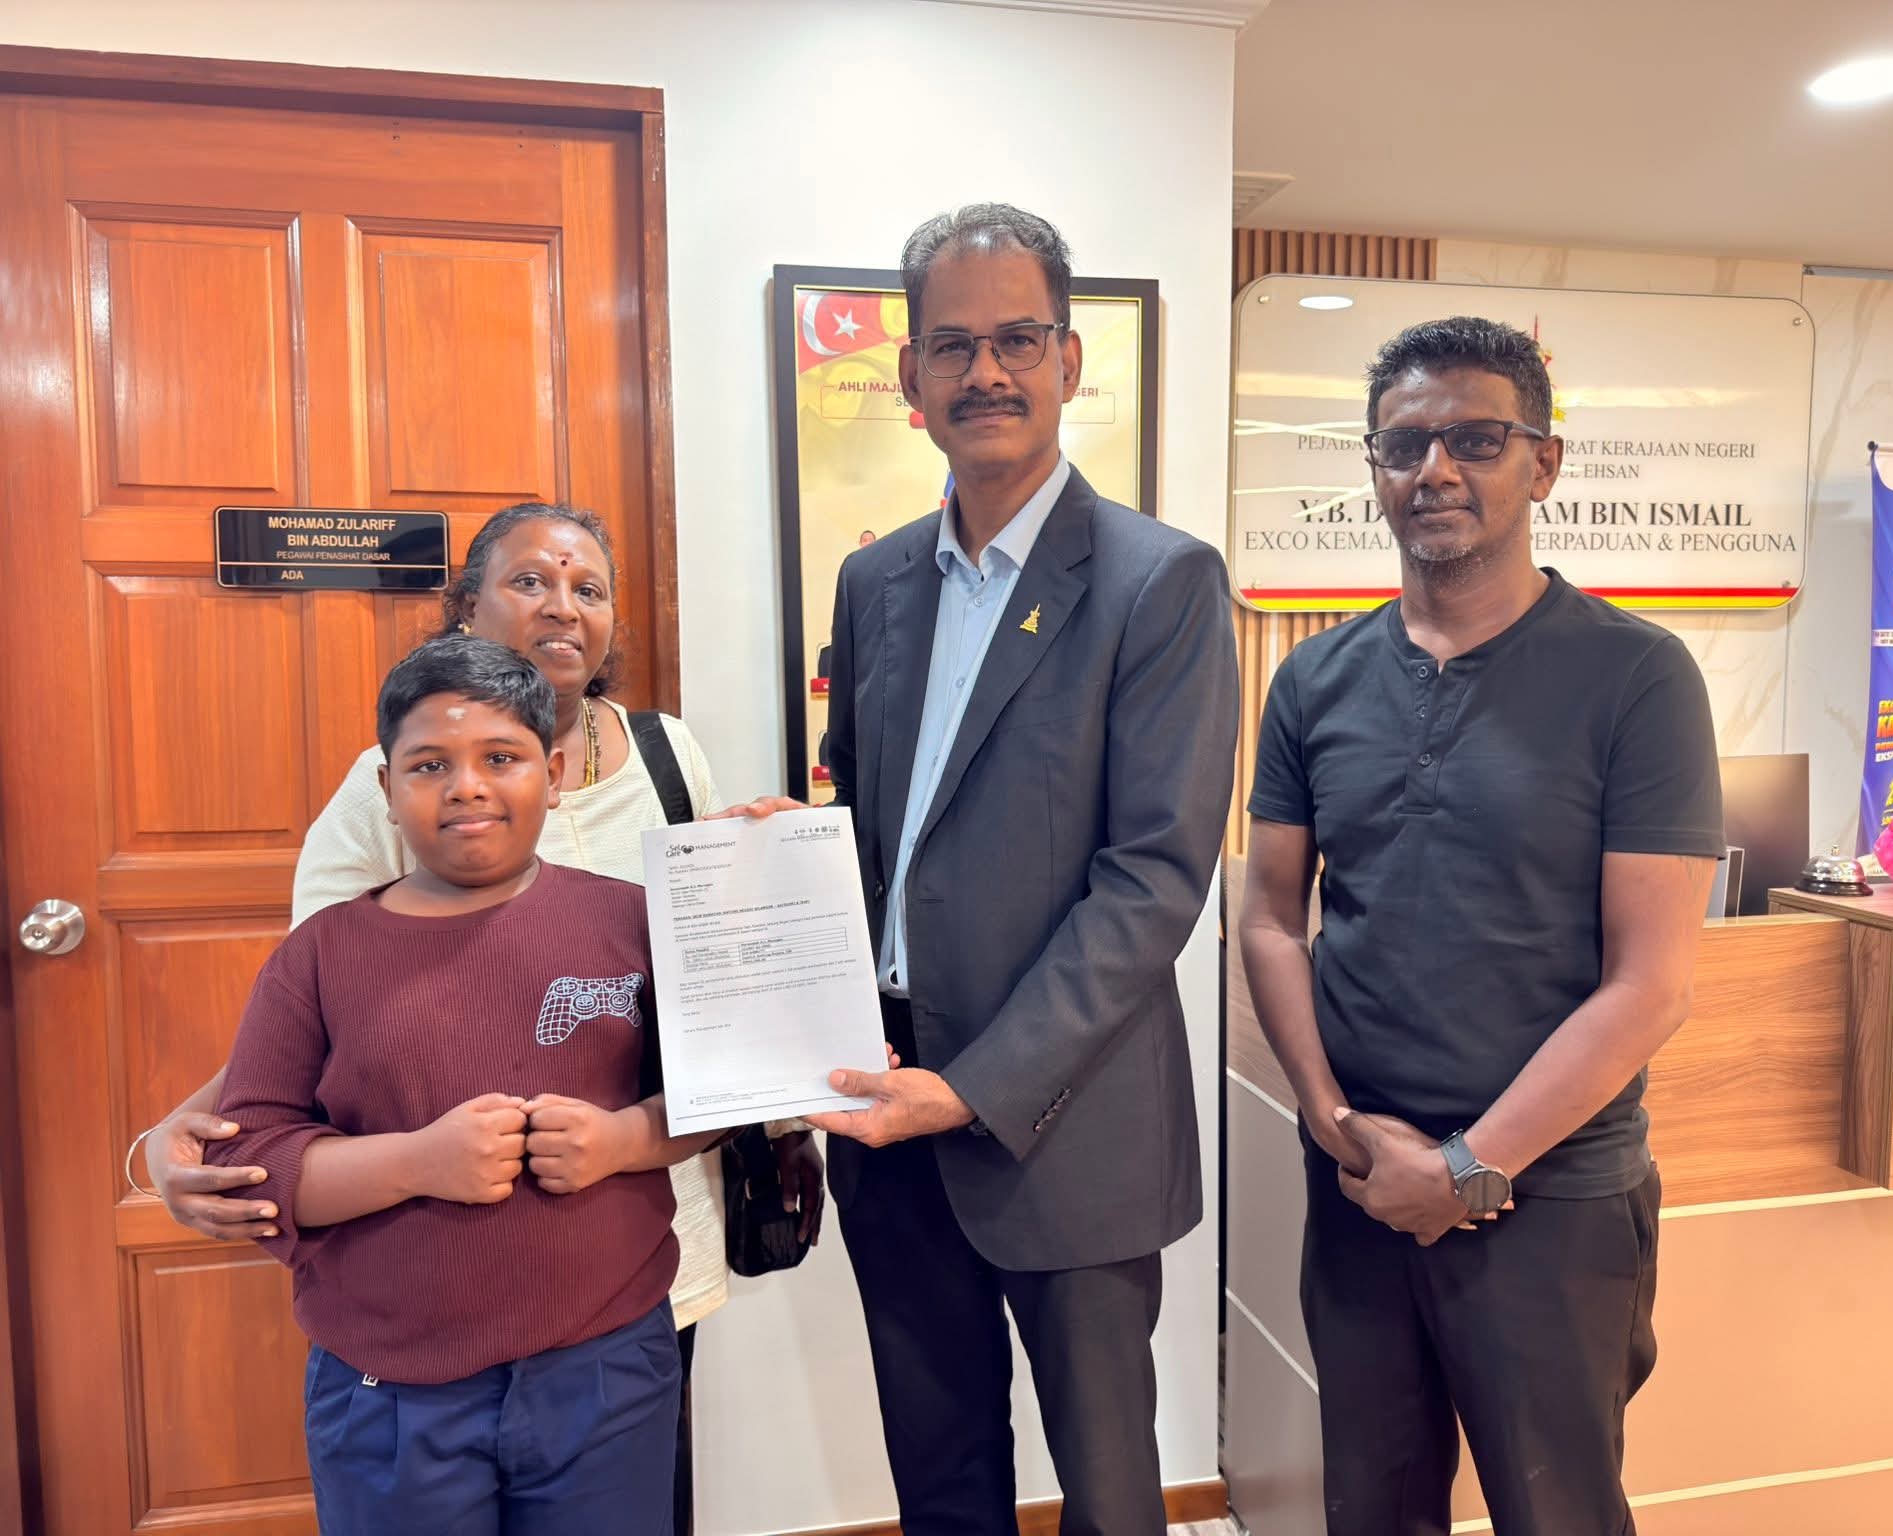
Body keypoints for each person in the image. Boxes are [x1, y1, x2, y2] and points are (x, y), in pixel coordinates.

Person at [138, 502, 823, 1536]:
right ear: (466, 606)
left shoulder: (664, 756)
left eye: (588, 589)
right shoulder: (369, 827)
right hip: (426, 1302)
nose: (563, 607)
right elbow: (321, 1014)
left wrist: (767, 874)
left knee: (635, 1485)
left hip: (626, 1257)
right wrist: (191, 1128)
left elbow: (712, 1004)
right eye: (529, 581)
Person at [722, 204, 1238, 1534]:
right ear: (909, 375)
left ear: (1070, 360)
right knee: (938, 1478)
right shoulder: (876, 581)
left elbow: (1152, 882)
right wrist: (795, 855)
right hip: (884, 1102)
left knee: (1109, 1493)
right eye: (952, 345)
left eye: (1016, 339)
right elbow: (877, 821)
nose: (985, 372)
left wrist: (973, 1088)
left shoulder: (1159, 583)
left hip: (1067, 1122)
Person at [1238, 315, 1723, 1536]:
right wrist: (1335, 1125)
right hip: (1358, 1184)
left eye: (1474, 439)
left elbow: (1650, 983)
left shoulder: (1636, 677)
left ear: (1541, 463)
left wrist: (1464, 1171)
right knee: (1372, 1511)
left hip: (1547, 1199)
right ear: (1372, 467)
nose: (1434, 469)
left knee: (1556, 1516)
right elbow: (1268, 921)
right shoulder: (1312, 681)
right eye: (1403, 445)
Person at [207, 633, 710, 1532]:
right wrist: (416, 1163)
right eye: (430, 764)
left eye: (501, 758)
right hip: (390, 1393)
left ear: (554, 774)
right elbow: (251, 1162)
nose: (467, 786)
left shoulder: (632, 921)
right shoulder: (320, 956)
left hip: (606, 1368)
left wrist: (623, 1139)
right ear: (386, 787)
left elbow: (721, 1092)